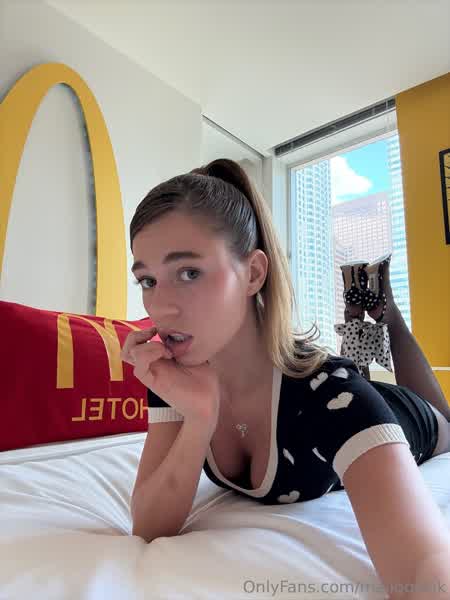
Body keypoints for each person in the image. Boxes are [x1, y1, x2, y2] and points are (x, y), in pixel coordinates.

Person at [121, 158, 450, 595]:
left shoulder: (334, 397)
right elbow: (148, 525)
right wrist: (198, 419)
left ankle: (389, 316)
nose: (160, 308)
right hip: (350, 394)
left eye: (189, 272)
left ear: (254, 273)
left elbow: (426, 566)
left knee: (443, 415)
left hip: (413, 418)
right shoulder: (175, 379)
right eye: (147, 281)